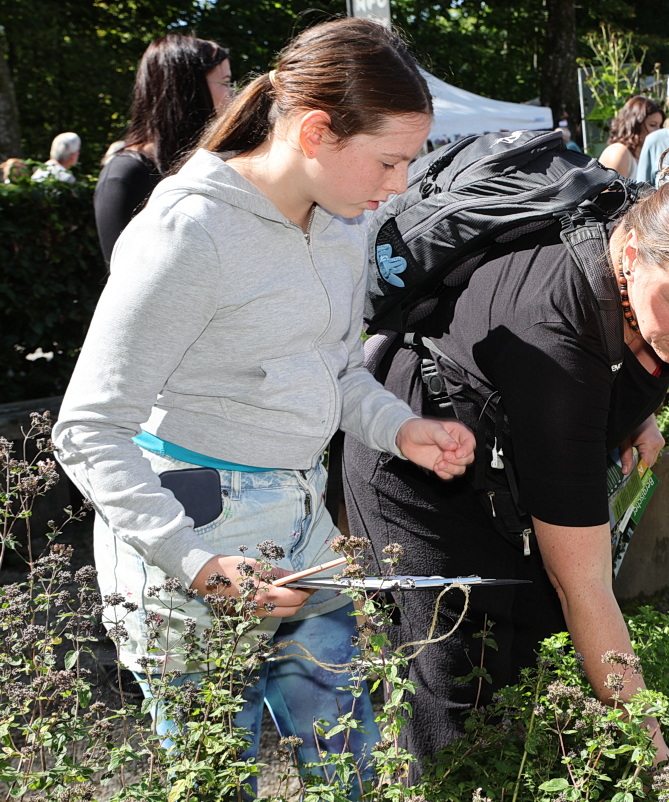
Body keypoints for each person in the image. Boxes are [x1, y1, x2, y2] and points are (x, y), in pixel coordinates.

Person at [51, 17, 475, 796]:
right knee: (219, 781)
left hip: (300, 524)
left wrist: (400, 425)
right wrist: (200, 566)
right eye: (390, 161)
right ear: (317, 132)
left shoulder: (344, 223)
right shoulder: (188, 231)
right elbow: (87, 429)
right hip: (189, 537)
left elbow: (335, 366)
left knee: (346, 765)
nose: (401, 187)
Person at [342, 133, 669, 781]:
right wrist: (660, 763)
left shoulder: (645, 261)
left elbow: (639, 346)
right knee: (459, 683)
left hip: (506, 444)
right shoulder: (555, 338)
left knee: (536, 653)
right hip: (417, 461)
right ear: (628, 251)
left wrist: (641, 410)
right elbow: (584, 583)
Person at [94, 34, 235, 265]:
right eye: (226, 82)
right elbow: (126, 282)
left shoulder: (216, 163)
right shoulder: (126, 175)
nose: (234, 95)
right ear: (189, 88)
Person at [598, 94, 664, 178]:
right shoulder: (618, 152)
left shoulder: (644, 155)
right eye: (652, 125)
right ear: (635, 124)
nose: (658, 131)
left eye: (660, 126)